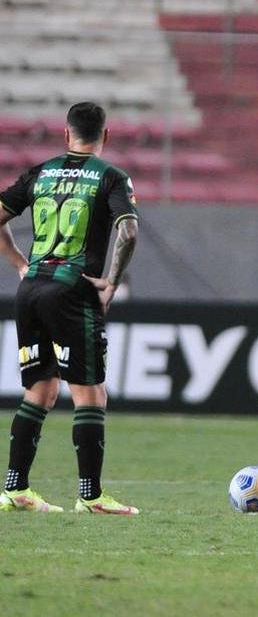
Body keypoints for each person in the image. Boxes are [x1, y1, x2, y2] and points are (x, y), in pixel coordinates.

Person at [0, 102, 140, 515]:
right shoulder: (111, 177)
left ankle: (14, 489)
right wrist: (112, 282)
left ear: (65, 135)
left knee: (40, 390)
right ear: (105, 136)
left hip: (31, 290)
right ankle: (91, 496)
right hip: (72, 291)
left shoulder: (41, 172)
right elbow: (128, 231)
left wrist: (21, 264)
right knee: (91, 393)